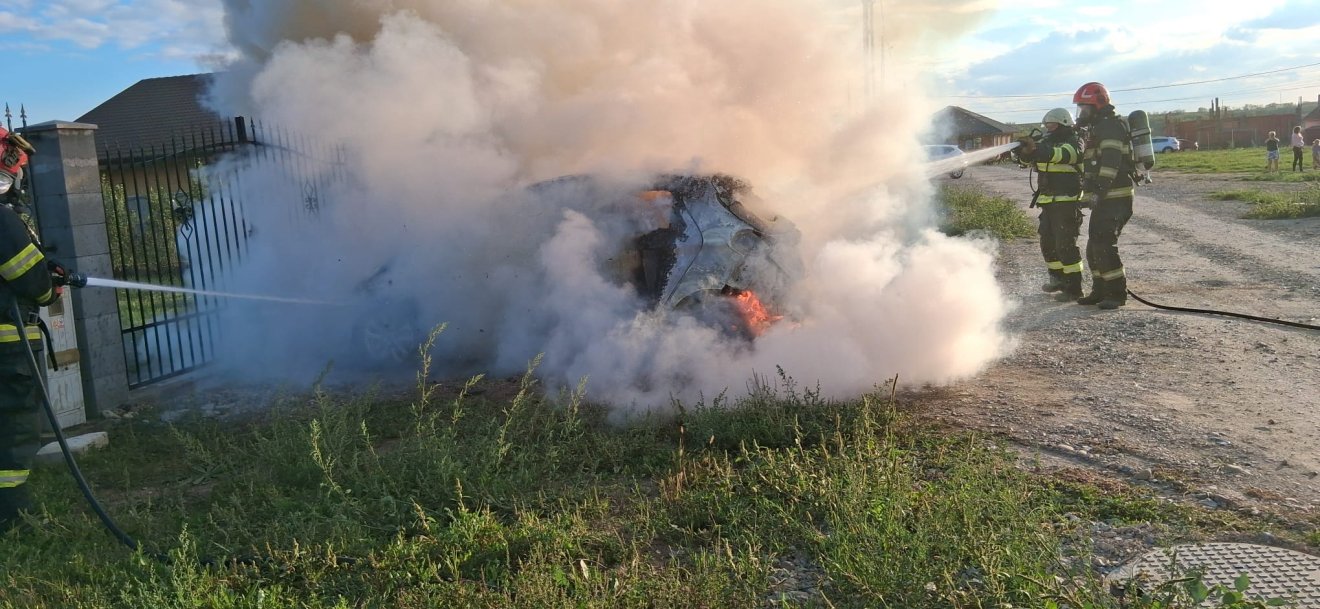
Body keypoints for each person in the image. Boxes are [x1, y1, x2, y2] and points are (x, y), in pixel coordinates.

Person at [0, 126, 61, 532]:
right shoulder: (3, 221)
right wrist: (50, 284)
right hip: (9, 349)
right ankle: (13, 519)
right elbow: (35, 287)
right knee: (15, 433)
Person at [1073, 82, 1135, 310]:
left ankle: (1117, 293)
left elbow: (1110, 162)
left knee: (1104, 244)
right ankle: (1099, 290)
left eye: (1084, 108)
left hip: (1116, 196)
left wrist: (1099, 191)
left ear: (1097, 105)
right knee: (1094, 246)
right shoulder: (1099, 127)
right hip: (1106, 197)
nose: (1081, 113)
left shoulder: (1111, 127)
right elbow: (1093, 165)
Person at [1016, 108, 1086, 301]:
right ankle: (1057, 280)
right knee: (1047, 243)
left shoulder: (1075, 140)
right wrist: (1023, 152)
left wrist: (1037, 149)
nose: (1048, 128)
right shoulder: (1047, 141)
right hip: (1047, 201)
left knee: (1065, 245)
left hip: (1067, 201)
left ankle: (1074, 288)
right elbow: (1029, 159)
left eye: (1052, 124)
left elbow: (1067, 155)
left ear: (1063, 123)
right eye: (1046, 125)